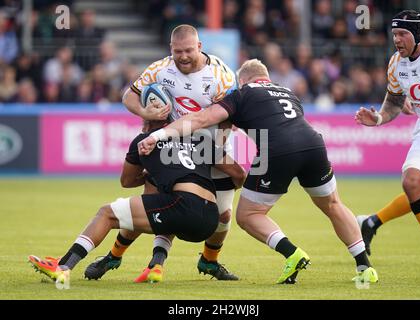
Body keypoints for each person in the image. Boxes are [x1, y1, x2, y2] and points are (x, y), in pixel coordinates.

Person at [139, 59, 378, 284]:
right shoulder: (287, 92)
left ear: (242, 81)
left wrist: (159, 134)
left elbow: (202, 118)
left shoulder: (241, 94)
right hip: (314, 145)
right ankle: (365, 268)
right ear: (266, 78)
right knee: (333, 204)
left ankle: (292, 254)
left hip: (278, 150)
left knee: (248, 215)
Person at [83, 24, 242, 282]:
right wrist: (146, 113)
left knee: (223, 215)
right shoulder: (160, 69)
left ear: (199, 47)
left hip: (211, 149)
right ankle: (116, 255)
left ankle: (210, 261)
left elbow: (228, 117)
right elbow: (128, 96)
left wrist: (218, 150)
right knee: (153, 202)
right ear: (171, 49)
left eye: (189, 50)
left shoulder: (221, 75)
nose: (184, 56)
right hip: (172, 147)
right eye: (178, 51)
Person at [28, 119, 245, 285]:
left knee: (107, 213)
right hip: (209, 219)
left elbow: (126, 181)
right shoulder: (199, 138)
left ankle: (63, 266)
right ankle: (155, 264)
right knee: (165, 205)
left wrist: (148, 174)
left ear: (147, 117)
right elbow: (238, 173)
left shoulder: (144, 140)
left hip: (183, 206)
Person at [355, 10, 420, 253]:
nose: (397, 39)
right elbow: (395, 103)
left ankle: (371, 222)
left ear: (418, 34)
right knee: (413, 182)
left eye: (403, 34)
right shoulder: (396, 63)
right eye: (394, 34)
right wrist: (377, 118)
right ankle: (371, 222)